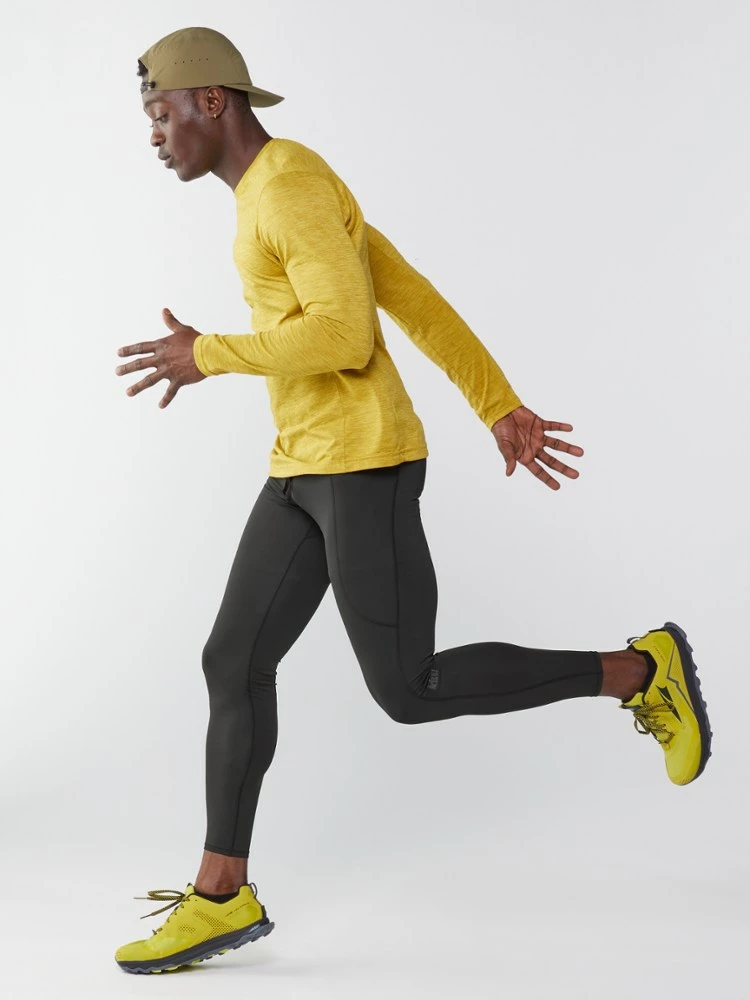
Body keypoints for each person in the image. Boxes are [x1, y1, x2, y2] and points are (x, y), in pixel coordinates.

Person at [113, 26, 713, 976]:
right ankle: (221, 895)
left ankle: (639, 671)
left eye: (161, 111)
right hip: (301, 469)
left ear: (212, 100)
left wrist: (210, 353)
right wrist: (497, 402)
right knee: (233, 659)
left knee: (409, 688)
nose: (154, 133)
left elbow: (346, 336)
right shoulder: (278, 187)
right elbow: (408, 293)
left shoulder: (289, 186)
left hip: (364, 467)